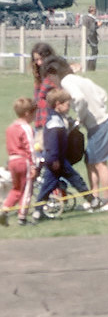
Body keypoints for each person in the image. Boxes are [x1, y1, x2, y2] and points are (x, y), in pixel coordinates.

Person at [53, 57, 108, 206]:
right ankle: (94, 198)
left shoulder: (66, 82)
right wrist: (98, 108)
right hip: (98, 124)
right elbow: (103, 94)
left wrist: (80, 118)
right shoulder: (80, 79)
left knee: (100, 164)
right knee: (90, 162)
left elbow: (79, 99)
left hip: (100, 125)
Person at [36, 88, 94, 209]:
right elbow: (52, 144)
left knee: (52, 184)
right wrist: (54, 159)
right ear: (58, 104)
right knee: (74, 180)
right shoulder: (54, 122)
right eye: (67, 104)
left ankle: (38, 210)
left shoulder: (59, 118)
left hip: (59, 160)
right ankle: (92, 200)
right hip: (57, 161)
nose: (69, 107)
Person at [2, 96, 34, 226]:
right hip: (23, 161)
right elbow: (30, 147)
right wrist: (33, 165)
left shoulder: (10, 128)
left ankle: (4, 210)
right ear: (27, 113)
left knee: (16, 188)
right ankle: (22, 217)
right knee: (27, 189)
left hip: (12, 161)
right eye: (33, 113)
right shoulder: (26, 128)